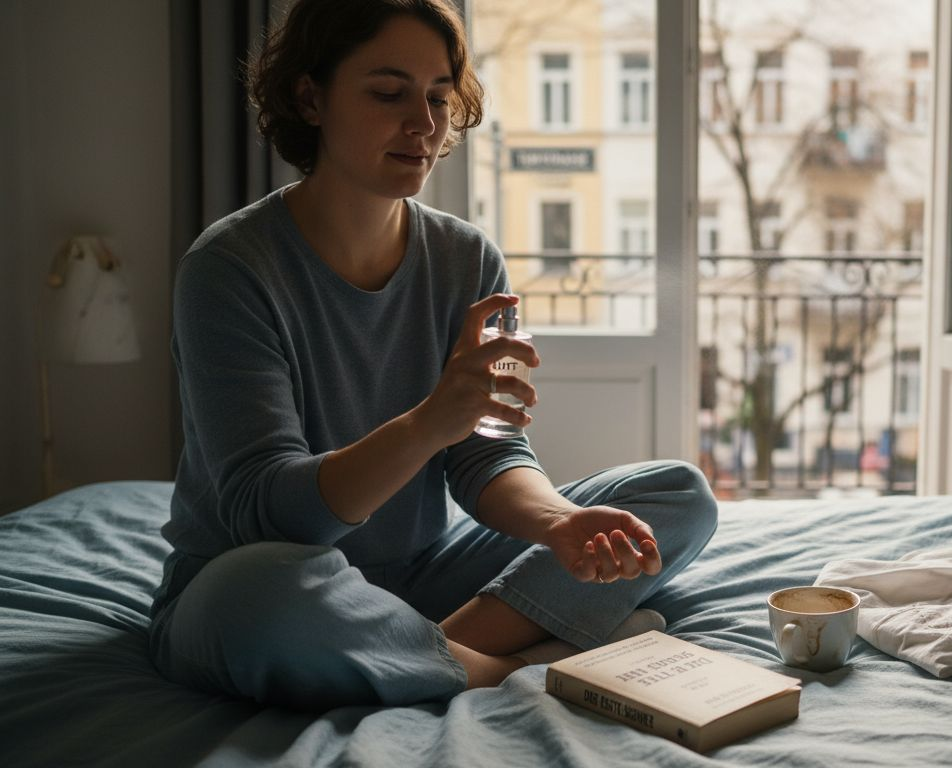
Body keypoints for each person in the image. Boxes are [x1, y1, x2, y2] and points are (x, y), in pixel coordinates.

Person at [148, 0, 717, 712]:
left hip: (418, 574)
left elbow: (488, 456)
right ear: (309, 97)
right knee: (258, 596)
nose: (424, 123)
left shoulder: (467, 258)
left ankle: (436, 651)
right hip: (268, 576)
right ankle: (513, 665)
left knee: (676, 495)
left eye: (440, 98)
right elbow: (269, 517)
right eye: (388, 93)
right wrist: (426, 423)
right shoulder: (229, 269)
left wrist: (556, 523)